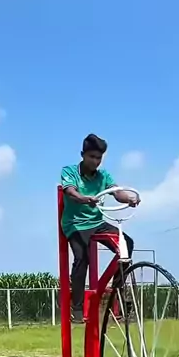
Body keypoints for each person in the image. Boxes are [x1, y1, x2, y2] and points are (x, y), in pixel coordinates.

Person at [61, 133, 140, 323]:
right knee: (82, 258)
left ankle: (116, 293)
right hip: (76, 224)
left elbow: (117, 193)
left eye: (99, 158)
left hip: (97, 223)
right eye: (92, 157)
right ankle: (77, 308)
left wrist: (129, 199)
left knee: (126, 244)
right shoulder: (69, 171)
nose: (95, 161)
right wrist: (84, 198)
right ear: (83, 154)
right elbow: (70, 192)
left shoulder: (104, 176)